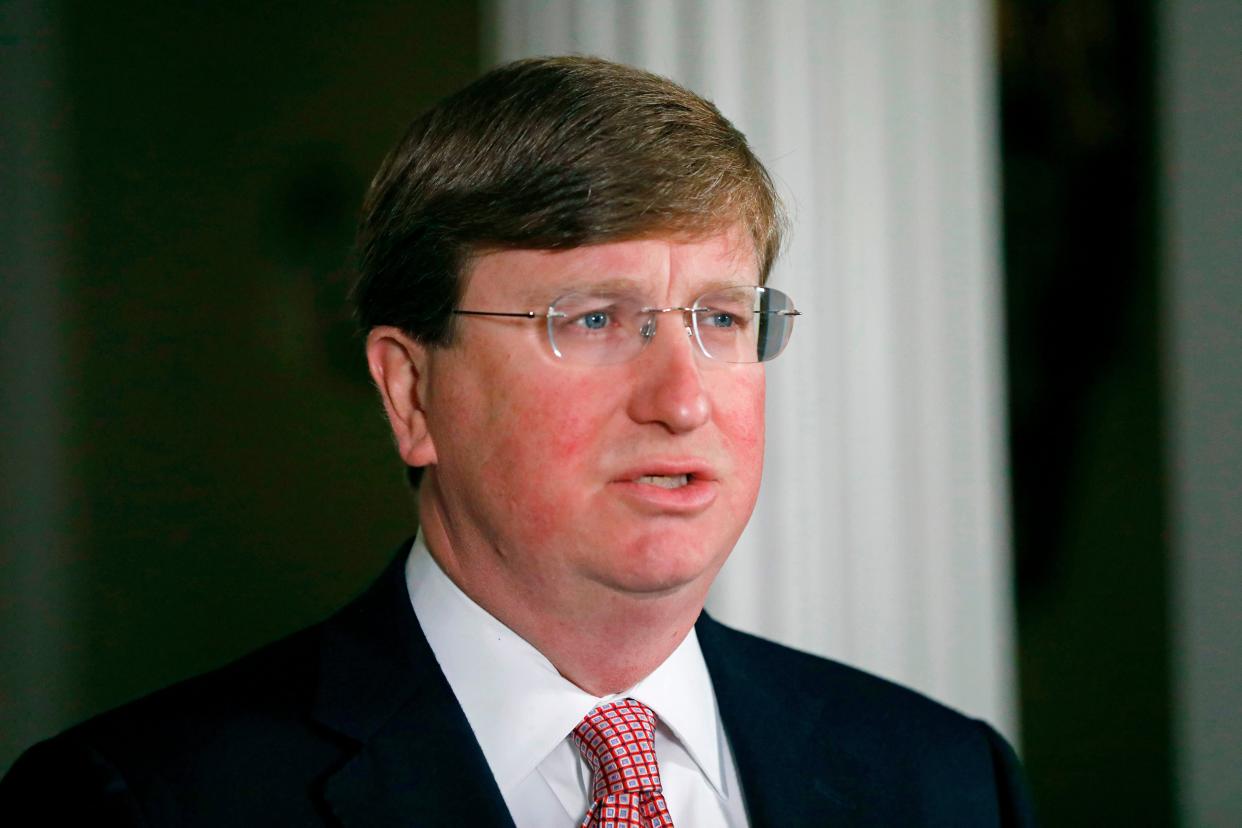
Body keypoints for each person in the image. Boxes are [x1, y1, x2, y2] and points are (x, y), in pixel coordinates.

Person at [0, 56, 1034, 826]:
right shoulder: (140, 803)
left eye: (720, 320)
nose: (682, 400)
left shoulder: (945, 780)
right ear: (411, 393)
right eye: (592, 319)